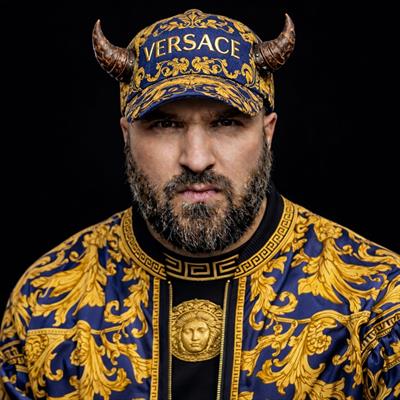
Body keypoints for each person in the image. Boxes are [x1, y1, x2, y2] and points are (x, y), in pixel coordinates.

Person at [0, 8, 399, 400]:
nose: (196, 159)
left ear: (268, 132)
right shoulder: (45, 301)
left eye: (226, 122)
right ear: (126, 136)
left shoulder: (376, 299)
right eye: (165, 123)